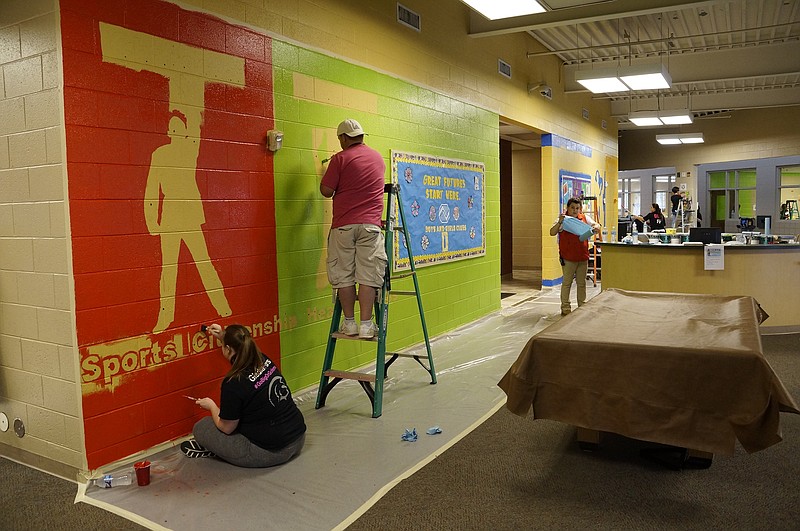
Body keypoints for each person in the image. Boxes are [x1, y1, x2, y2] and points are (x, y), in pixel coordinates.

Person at [181, 323, 306, 467]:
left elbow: (226, 427)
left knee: (201, 427)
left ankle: (218, 451)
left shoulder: (233, 382)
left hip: (270, 453)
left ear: (228, 349)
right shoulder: (262, 358)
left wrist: (211, 406)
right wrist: (223, 336)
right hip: (298, 438)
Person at [320, 119, 387, 339]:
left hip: (344, 226)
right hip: (371, 226)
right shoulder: (378, 158)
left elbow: (326, 191)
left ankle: (349, 323)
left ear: (343, 138)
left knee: (344, 277)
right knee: (368, 276)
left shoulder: (340, 158)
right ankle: (367, 325)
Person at [549, 197, 600, 316]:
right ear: (567, 208)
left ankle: (582, 305)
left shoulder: (584, 218)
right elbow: (552, 232)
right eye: (572, 208)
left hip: (582, 256)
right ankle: (565, 307)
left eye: (577, 208)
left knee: (581, 283)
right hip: (568, 257)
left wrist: (596, 226)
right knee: (567, 283)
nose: (575, 210)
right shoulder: (562, 219)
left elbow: (595, 224)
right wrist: (560, 222)